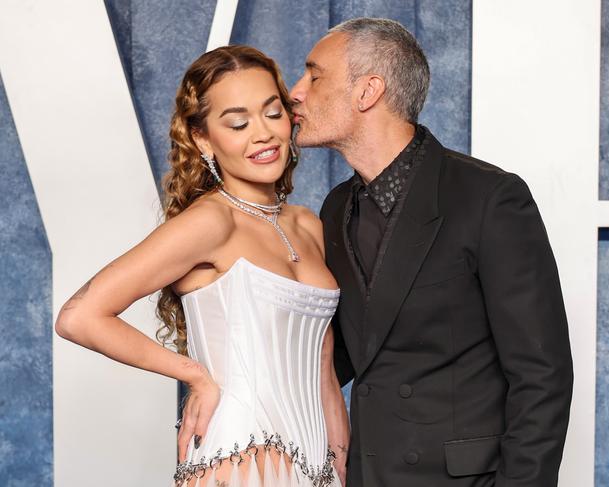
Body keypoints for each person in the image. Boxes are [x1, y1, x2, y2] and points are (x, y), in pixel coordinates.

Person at [290, 17, 574, 487]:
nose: (296, 91)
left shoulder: (489, 198)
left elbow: (542, 377)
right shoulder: (336, 207)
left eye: (314, 75)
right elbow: (346, 352)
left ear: (368, 91)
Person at [55, 45, 349, 487]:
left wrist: (340, 459)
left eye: (272, 113)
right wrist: (195, 376)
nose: (263, 134)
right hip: (239, 461)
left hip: (316, 465)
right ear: (202, 139)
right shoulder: (210, 221)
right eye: (237, 123)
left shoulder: (307, 223)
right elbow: (79, 317)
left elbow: (323, 363)